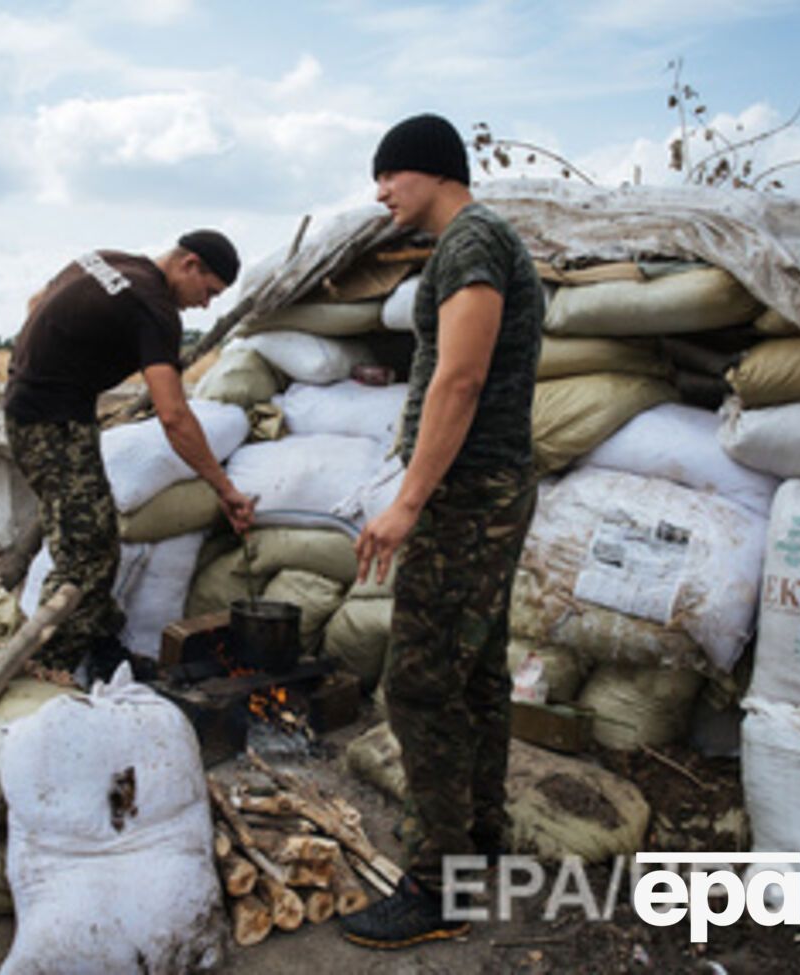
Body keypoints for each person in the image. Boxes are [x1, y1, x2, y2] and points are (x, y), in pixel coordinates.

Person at [339, 114, 543, 950]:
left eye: (388, 175)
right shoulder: (477, 242)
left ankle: (437, 887)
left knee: (419, 684)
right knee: (476, 675)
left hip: (464, 497)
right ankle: (476, 842)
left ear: (429, 171)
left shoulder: (469, 243)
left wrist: (409, 500)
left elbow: (459, 378)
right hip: (483, 489)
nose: (380, 192)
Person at [5, 230, 257, 683]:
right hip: (52, 423)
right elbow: (174, 415)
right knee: (88, 556)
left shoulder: (104, 259)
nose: (205, 305)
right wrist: (224, 488)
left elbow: (37, 302)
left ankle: (104, 649)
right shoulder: (154, 308)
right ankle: (42, 669)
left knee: (91, 536)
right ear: (190, 264)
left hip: (35, 409)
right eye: (209, 292)